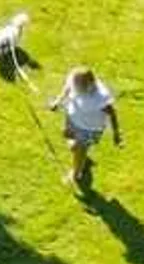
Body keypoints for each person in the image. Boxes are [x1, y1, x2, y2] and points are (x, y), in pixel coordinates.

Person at [48, 65, 122, 193]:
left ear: (89, 85)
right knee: (70, 141)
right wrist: (57, 102)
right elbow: (67, 89)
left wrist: (116, 134)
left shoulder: (99, 98)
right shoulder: (74, 80)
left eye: (78, 87)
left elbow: (112, 113)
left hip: (89, 129)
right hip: (72, 120)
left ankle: (76, 175)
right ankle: (81, 156)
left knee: (78, 150)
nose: (74, 88)